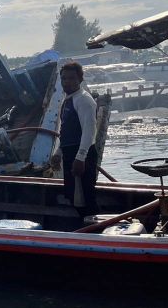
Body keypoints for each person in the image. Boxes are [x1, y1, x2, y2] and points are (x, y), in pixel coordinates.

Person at [56, 61, 100, 218]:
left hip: (81, 155)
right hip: (69, 154)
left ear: (80, 79)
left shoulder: (84, 100)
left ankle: (92, 231)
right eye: (63, 78)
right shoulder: (68, 100)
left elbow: (89, 131)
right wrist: (58, 152)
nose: (67, 82)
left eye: (71, 78)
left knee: (85, 198)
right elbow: (66, 130)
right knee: (74, 197)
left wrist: (80, 158)